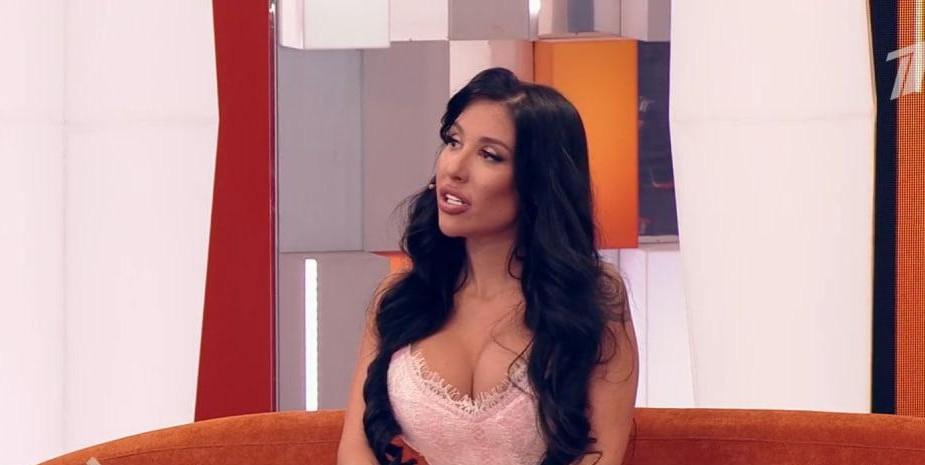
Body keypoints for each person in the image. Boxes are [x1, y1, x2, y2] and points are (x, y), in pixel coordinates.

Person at [337, 67, 639, 465]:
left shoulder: (593, 299)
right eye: (453, 141)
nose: (454, 168)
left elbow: (600, 453)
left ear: (537, 183)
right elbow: (356, 448)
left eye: (489, 155)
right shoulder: (400, 298)